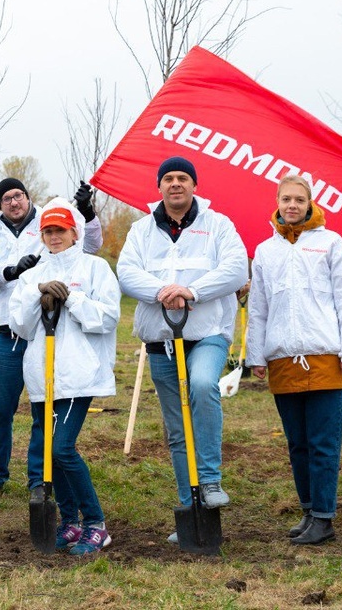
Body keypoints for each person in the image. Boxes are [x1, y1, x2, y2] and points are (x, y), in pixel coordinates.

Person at [116, 156, 247, 539]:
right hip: (161, 338)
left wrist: (191, 291)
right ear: (159, 187)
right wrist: (161, 291)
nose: (176, 184)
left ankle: (209, 481)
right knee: (177, 429)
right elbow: (126, 273)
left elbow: (237, 269)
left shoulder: (218, 225)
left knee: (204, 385)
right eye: (169, 178)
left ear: (194, 185)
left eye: (183, 178)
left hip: (207, 332)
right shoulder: (141, 229)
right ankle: (190, 509)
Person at [246, 175, 342, 545]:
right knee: (297, 442)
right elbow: (259, 307)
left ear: (311, 203)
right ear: (277, 202)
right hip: (283, 358)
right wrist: (255, 354)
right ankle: (309, 510)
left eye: (299, 199)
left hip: (326, 356)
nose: (292, 205)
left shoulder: (331, 243)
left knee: (323, 442)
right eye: (286, 199)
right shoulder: (266, 251)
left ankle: (325, 517)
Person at [0, 178, 103, 499]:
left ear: (28, 196)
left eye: (18, 195)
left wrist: (87, 212)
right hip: (7, 332)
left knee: (42, 408)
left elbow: (88, 244)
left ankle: (38, 478)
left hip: (44, 332)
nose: (14, 202)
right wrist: (13, 270)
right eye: (6, 198)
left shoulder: (49, 220)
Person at [9, 198, 119, 555]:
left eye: (61, 230)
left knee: (62, 448)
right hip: (43, 374)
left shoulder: (95, 268)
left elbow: (107, 318)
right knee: (50, 453)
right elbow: (20, 327)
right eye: (48, 231)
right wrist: (35, 297)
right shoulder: (31, 273)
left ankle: (96, 524)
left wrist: (70, 298)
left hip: (78, 373)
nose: (54, 236)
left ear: (75, 232)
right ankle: (70, 522)